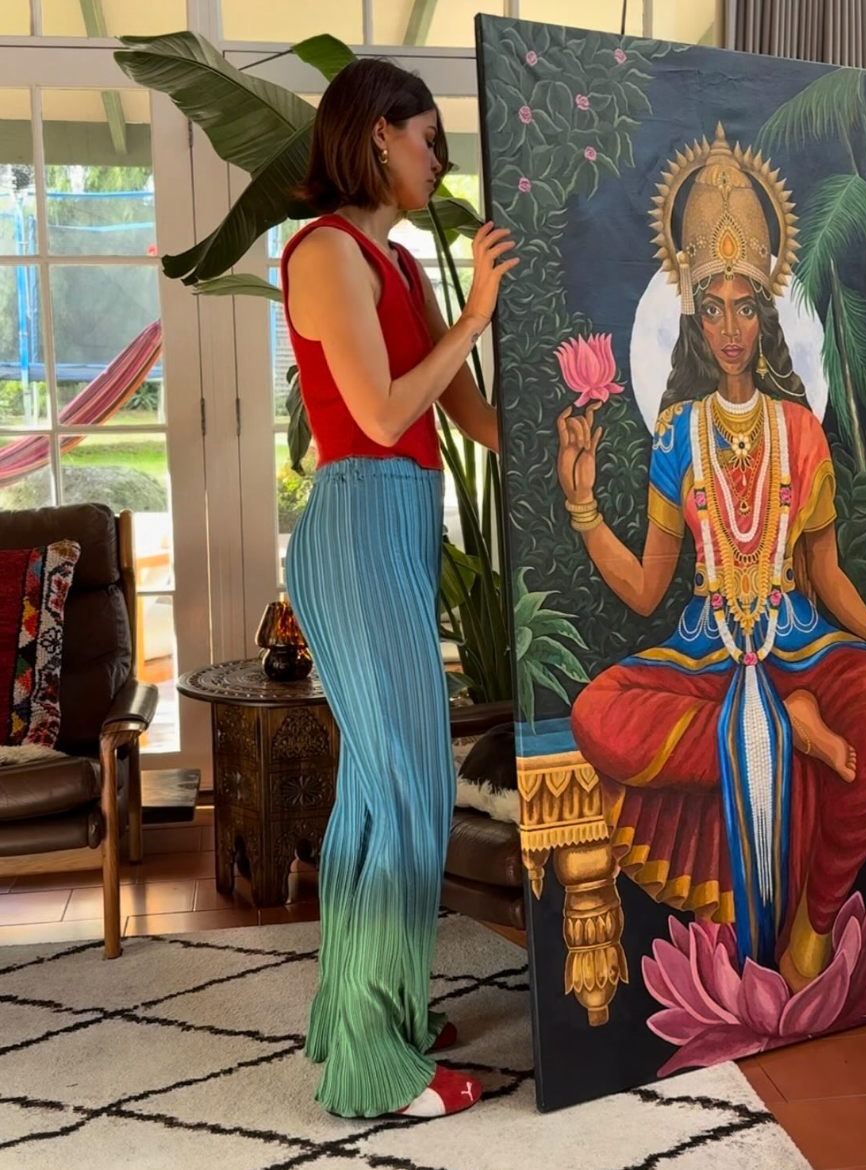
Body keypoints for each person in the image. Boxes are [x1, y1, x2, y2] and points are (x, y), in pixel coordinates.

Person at [560, 124, 866, 992]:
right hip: (708, 652)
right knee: (597, 711)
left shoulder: (800, 430)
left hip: (796, 638)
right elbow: (648, 588)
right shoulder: (676, 435)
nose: (731, 327)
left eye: (745, 306)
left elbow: (827, 572)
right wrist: (583, 509)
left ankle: (813, 924)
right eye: (715, 307)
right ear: (695, 317)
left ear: (766, 314)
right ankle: (776, 723)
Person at [280, 58, 518, 1119]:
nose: (440, 161)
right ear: (377, 133)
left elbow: (470, 417)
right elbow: (379, 415)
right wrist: (476, 314)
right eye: (428, 138)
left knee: (380, 791)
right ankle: (378, 1069)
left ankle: (363, 1016)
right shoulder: (326, 253)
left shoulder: (403, 267)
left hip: (403, 529)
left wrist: (580, 446)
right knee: (409, 791)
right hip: (355, 524)